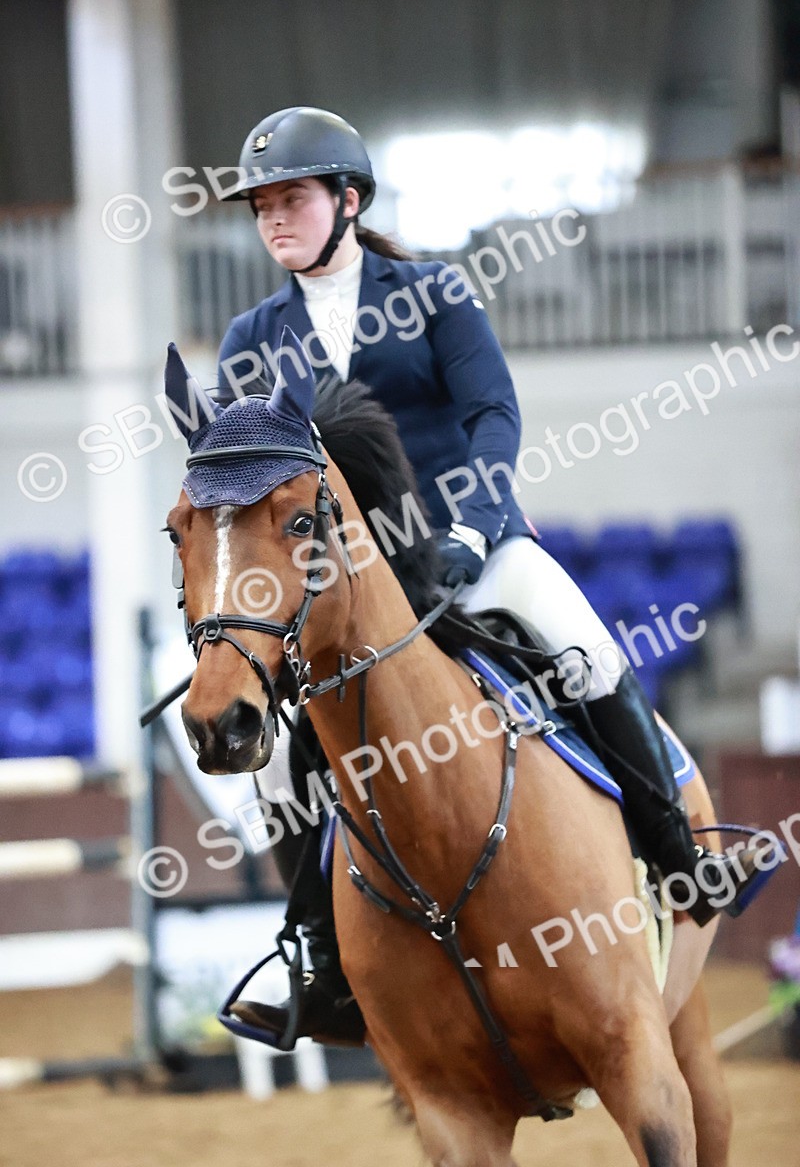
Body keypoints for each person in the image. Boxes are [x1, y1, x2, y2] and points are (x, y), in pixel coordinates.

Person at [214, 106, 758, 1046]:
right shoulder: (250, 338)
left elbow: (493, 416)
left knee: (579, 643)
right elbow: (250, 482)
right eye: (261, 206)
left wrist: (471, 528)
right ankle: (318, 955)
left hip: (470, 539)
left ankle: (676, 852)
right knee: (274, 773)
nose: (274, 219)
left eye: (291, 199)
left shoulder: (432, 292)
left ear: (348, 201)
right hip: (343, 584)